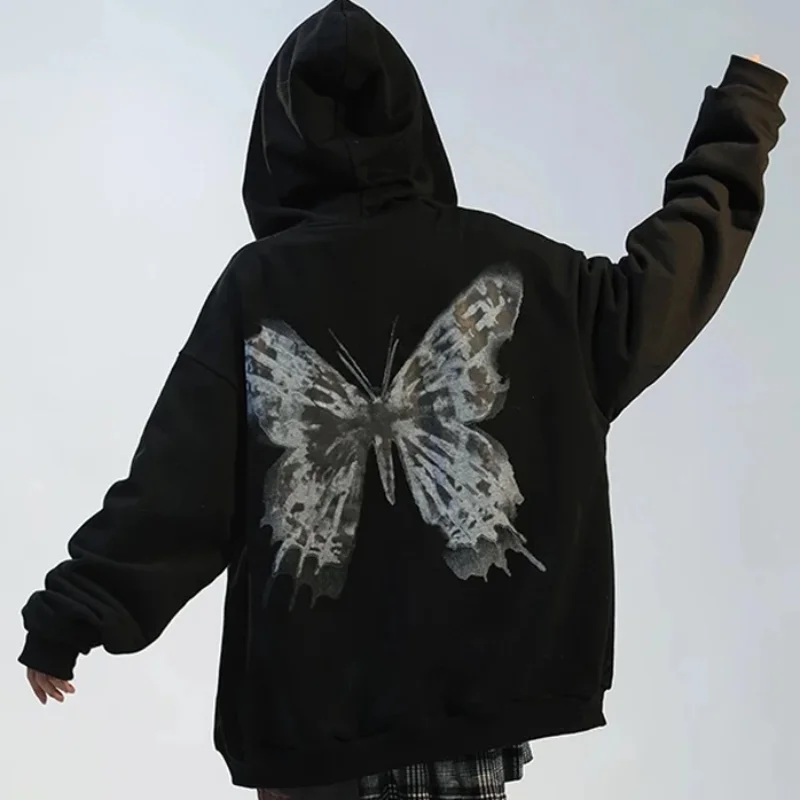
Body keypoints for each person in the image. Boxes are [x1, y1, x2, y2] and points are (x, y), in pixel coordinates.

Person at [19, 1, 787, 798]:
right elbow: (664, 282)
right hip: (468, 723)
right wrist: (744, 113)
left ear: (276, 145)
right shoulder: (516, 267)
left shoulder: (259, 288)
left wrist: (72, 616)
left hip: (314, 731)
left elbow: (178, 487)